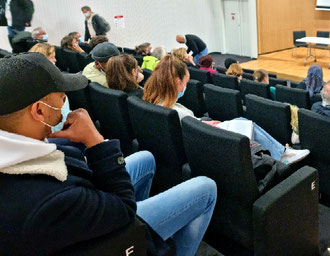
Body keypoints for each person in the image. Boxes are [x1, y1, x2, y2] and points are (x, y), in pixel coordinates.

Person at [0, 52, 216, 256]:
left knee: (146, 158)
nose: (66, 100)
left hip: (90, 209)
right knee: (206, 188)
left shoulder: (17, 148)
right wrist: (95, 140)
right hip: (118, 214)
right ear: (39, 111)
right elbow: (125, 209)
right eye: (60, 96)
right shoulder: (49, 203)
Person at [143, 56, 309, 165]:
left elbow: (187, 124)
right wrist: (207, 126)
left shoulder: (155, 102)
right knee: (246, 124)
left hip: (200, 134)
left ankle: (282, 153)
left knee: (243, 123)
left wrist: (202, 122)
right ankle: (283, 155)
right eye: (185, 82)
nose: (186, 86)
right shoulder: (173, 112)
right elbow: (188, 126)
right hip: (205, 144)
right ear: (178, 82)